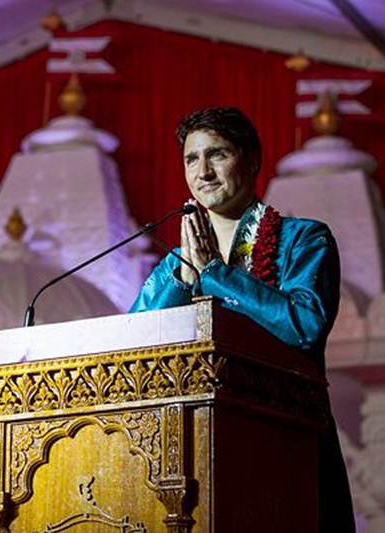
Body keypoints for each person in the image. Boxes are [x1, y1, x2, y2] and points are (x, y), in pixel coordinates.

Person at [130, 107, 355, 532]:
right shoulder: (177, 262)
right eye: (191, 159)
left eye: (217, 154)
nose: (203, 171)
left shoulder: (303, 239)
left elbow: (304, 325)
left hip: (286, 445)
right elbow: (134, 341)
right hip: (192, 455)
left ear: (252, 161)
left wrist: (216, 274)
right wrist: (184, 279)